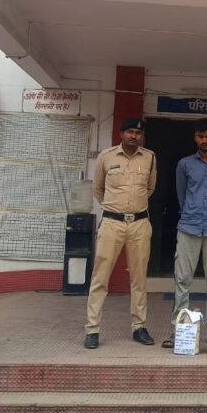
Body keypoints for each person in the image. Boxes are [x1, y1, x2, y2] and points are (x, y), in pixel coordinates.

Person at [83, 118, 157, 349]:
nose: (134, 136)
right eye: (130, 132)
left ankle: (139, 327)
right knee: (100, 278)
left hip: (139, 224)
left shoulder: (150, 157)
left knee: (139, 279)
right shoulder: (106, 156)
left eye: (138, 133)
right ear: (121, 134)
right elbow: (98, 189)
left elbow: (150, 188)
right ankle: (92, 329)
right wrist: (115, 207)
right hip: (112, 223)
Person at [161, 118, 207, 349]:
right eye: (201, 136)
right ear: (195, 138)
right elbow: (181, 194)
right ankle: (179, 330)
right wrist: (191, 213)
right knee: (182, 280)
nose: (204, 140)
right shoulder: (184, 164)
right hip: (188, 227)